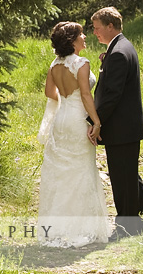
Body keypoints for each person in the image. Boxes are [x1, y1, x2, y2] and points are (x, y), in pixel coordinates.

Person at [36, 21, 109, 247]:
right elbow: (86, 96)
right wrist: (96, 122)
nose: (85, 37)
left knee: (61, 173)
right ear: (73, 40)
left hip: (61, 121)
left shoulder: (55, 64)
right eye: (81, 34)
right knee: (82, 169)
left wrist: (67, 102)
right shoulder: (81, 63)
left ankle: (57, 228)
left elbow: (50, 92)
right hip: (78, 121)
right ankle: (82, 228)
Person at [90, 7, 143, 239]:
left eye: (96, 27)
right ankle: (138, 220)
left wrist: (96, 121)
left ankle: (127, 227)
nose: (94, 32)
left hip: (122, 128)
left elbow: (112, 95)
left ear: (110, 26)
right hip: (127, 127)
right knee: (128, 175)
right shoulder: (122, 46)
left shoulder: (117, 53)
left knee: (122, 179)